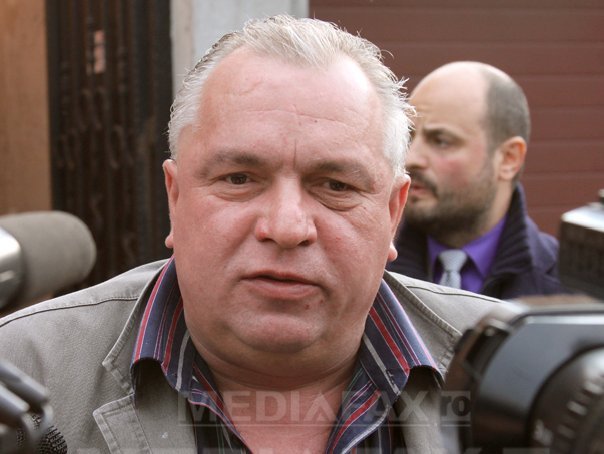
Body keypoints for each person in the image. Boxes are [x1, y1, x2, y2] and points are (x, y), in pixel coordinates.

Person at [0, 17, 500, 452]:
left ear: (393, 212)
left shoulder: (514, 369)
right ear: (175, 197)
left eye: (335, 186)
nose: (286, 228)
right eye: (239, 179)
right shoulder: (20, 371)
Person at [388, 61, 567, 300]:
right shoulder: (371, 273)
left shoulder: (572, 292)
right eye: (409, 137)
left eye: (441, 141)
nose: (411, 159)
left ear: (509, 159)